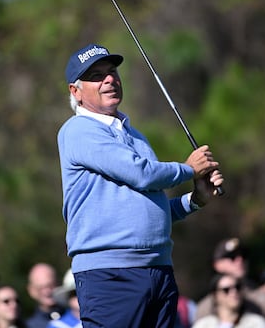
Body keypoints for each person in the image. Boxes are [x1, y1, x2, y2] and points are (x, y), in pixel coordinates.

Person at [57, 43, 224, 327]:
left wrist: (194, 200)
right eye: (96, 76)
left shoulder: (135, 136)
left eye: (112, 72)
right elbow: (142, 174)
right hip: (111, 275)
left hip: (158, 270)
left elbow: (148, 209)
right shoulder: (78, 131)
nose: (109, 79)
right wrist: (188, 169)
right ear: (76, 92)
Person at [195, 238, 265, 328]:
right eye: (232, 257)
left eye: (243, 256)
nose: (240, 260)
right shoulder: (205, 307)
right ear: (217, 265)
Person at [192, 273, 265, 328]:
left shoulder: (256, 323)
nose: (233, 292)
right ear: (215, 295)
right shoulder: (204, 325)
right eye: (226, 290)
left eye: (237, 287)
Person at [25, 263, 65, 328]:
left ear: (59, 284)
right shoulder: (27, 326)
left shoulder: (76, 317)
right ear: (31, 291)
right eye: (41, 288)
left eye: (51, 286)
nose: (47, 292)